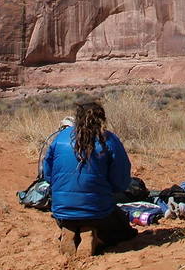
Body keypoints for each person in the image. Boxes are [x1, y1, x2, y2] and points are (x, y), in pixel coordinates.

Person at [42, 101, 138, 255]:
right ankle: (91, 232)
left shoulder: (60, 138)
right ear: (102, 119)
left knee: (73, 214)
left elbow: (47, 175)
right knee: (125, 232)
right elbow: (120, 181)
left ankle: (70, 230)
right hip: (98, 211)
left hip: (62, 211)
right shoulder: (109, 140)